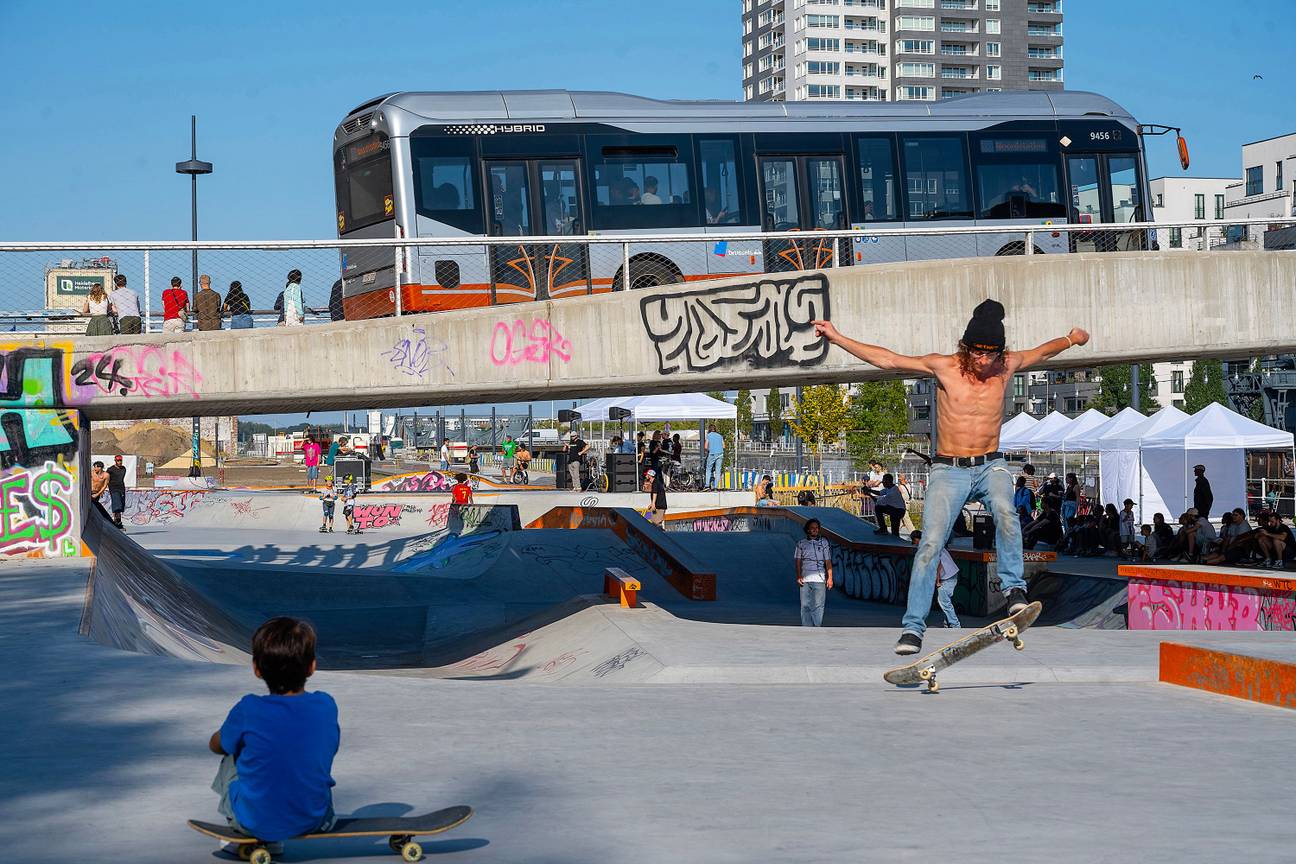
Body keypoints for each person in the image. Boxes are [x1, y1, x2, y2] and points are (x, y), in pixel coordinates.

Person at [814, 299, 1089, 655]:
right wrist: (837, 337)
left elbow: (1043, 352)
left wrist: (1071, 338)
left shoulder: (1007, 365)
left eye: (990, 355)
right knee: (930, 545)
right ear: (966, 347)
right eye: (977, 354)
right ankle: (913, 629)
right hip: (949, 469)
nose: (983, 362)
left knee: (1006, 513)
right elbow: (889, 359)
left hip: (991, 465)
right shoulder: (944, 367)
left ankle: (1014, 590)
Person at [207, 617, 338, 850]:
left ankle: (243, 828)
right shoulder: (326, 706)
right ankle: (275, 830)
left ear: (256, 669)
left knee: (233, 755)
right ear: (312, 666)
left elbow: (217, 745)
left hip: (255, 821)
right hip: (315, 819)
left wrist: (225, 740)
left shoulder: (249, 709)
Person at [910, 530, 961, 629]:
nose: (916, 545)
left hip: (947, 577)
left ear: (918, 539)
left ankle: (955, 625)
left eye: (915, 542)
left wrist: (937, 581)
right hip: (952, 574)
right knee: (945, 600)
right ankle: (948, 623)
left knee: (944, 602)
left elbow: (938, 564)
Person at [795, 519, 833, 627]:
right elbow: (797, 561)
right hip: (805, 579)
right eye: (812, 528)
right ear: (808, 530)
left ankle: (817, 627)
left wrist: (830, 578)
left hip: (819, 579)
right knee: (805, 605)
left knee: (818, 605)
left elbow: (828, 561)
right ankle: (807, 627)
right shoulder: (801, 543)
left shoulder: (824, 543)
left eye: (817, 528)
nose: (815, 530)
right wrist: (798, 576)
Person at [106, 454, 128, 529]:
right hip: (113, 489)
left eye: (120, 460)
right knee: (117, 505)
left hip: (121, 489)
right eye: (118, 460)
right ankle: (117, 521)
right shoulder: (110, 469)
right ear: (115, 461)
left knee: (121, 506)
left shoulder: (123, 469)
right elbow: (106, 478)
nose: (119, 462)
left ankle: (118, 521)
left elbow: (120, 478)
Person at [703, 423, 725, 491]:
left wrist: (708, 450)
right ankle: (715, 487)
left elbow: (706, 446)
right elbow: (724, 446)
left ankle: (707, 485)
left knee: (708, 469)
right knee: (718, 471)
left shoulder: (709, 435)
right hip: (720, 454)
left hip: (712, 454)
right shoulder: (720, 436)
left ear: (709, 429)